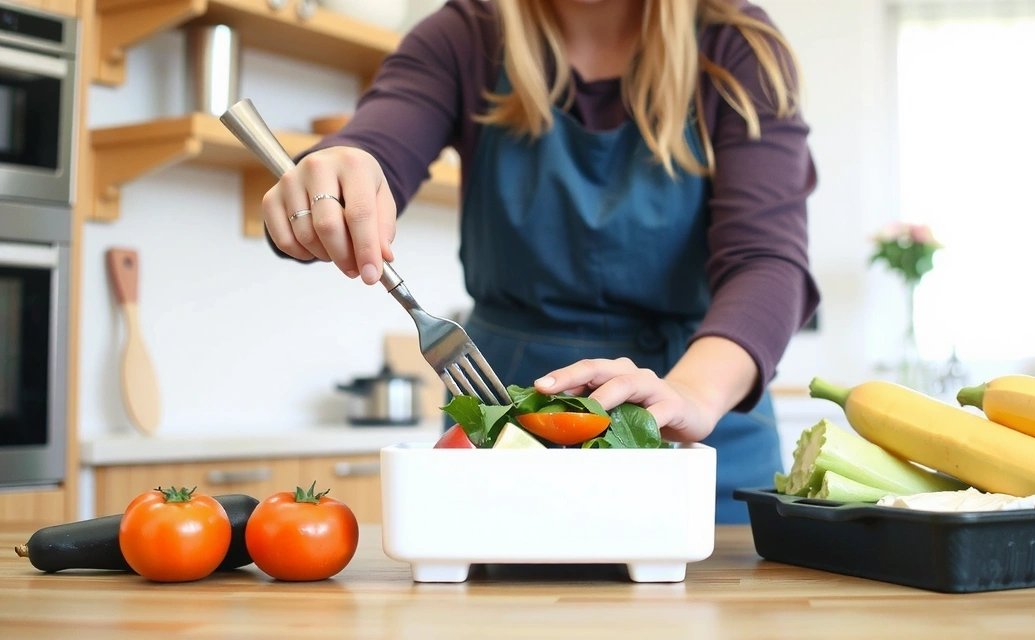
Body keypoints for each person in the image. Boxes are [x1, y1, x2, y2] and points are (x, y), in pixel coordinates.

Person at [261, 0, 820, 524]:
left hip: (702, 431)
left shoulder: (737, 47)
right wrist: (340, 177)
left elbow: (766, 260)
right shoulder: (466, 35)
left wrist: (694, 393)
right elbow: (381, 141)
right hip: (502, 429)